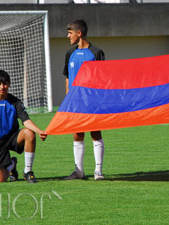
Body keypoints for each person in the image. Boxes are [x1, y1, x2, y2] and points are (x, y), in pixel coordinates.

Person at [0, 70, 47, 183]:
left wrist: (39, 131)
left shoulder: (15, 102)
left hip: (12, 138)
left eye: (5, 84)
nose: (2, 87)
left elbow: (26, 120)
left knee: (29, 133)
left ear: (9, 84)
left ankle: (28, 171)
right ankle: (11, 165)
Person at [63, 19, 105, 180]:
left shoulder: (96, 52)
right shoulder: (69, 54)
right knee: (77, 134)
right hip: (75, 102)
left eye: (70, 33)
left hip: (92, 101)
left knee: (95, 133)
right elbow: (67, 77)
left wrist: (100, 100)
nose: (68, 36)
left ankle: (98, 171)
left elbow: (102, 76)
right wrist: (68, 98)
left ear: (79, 33)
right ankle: (79, 171)